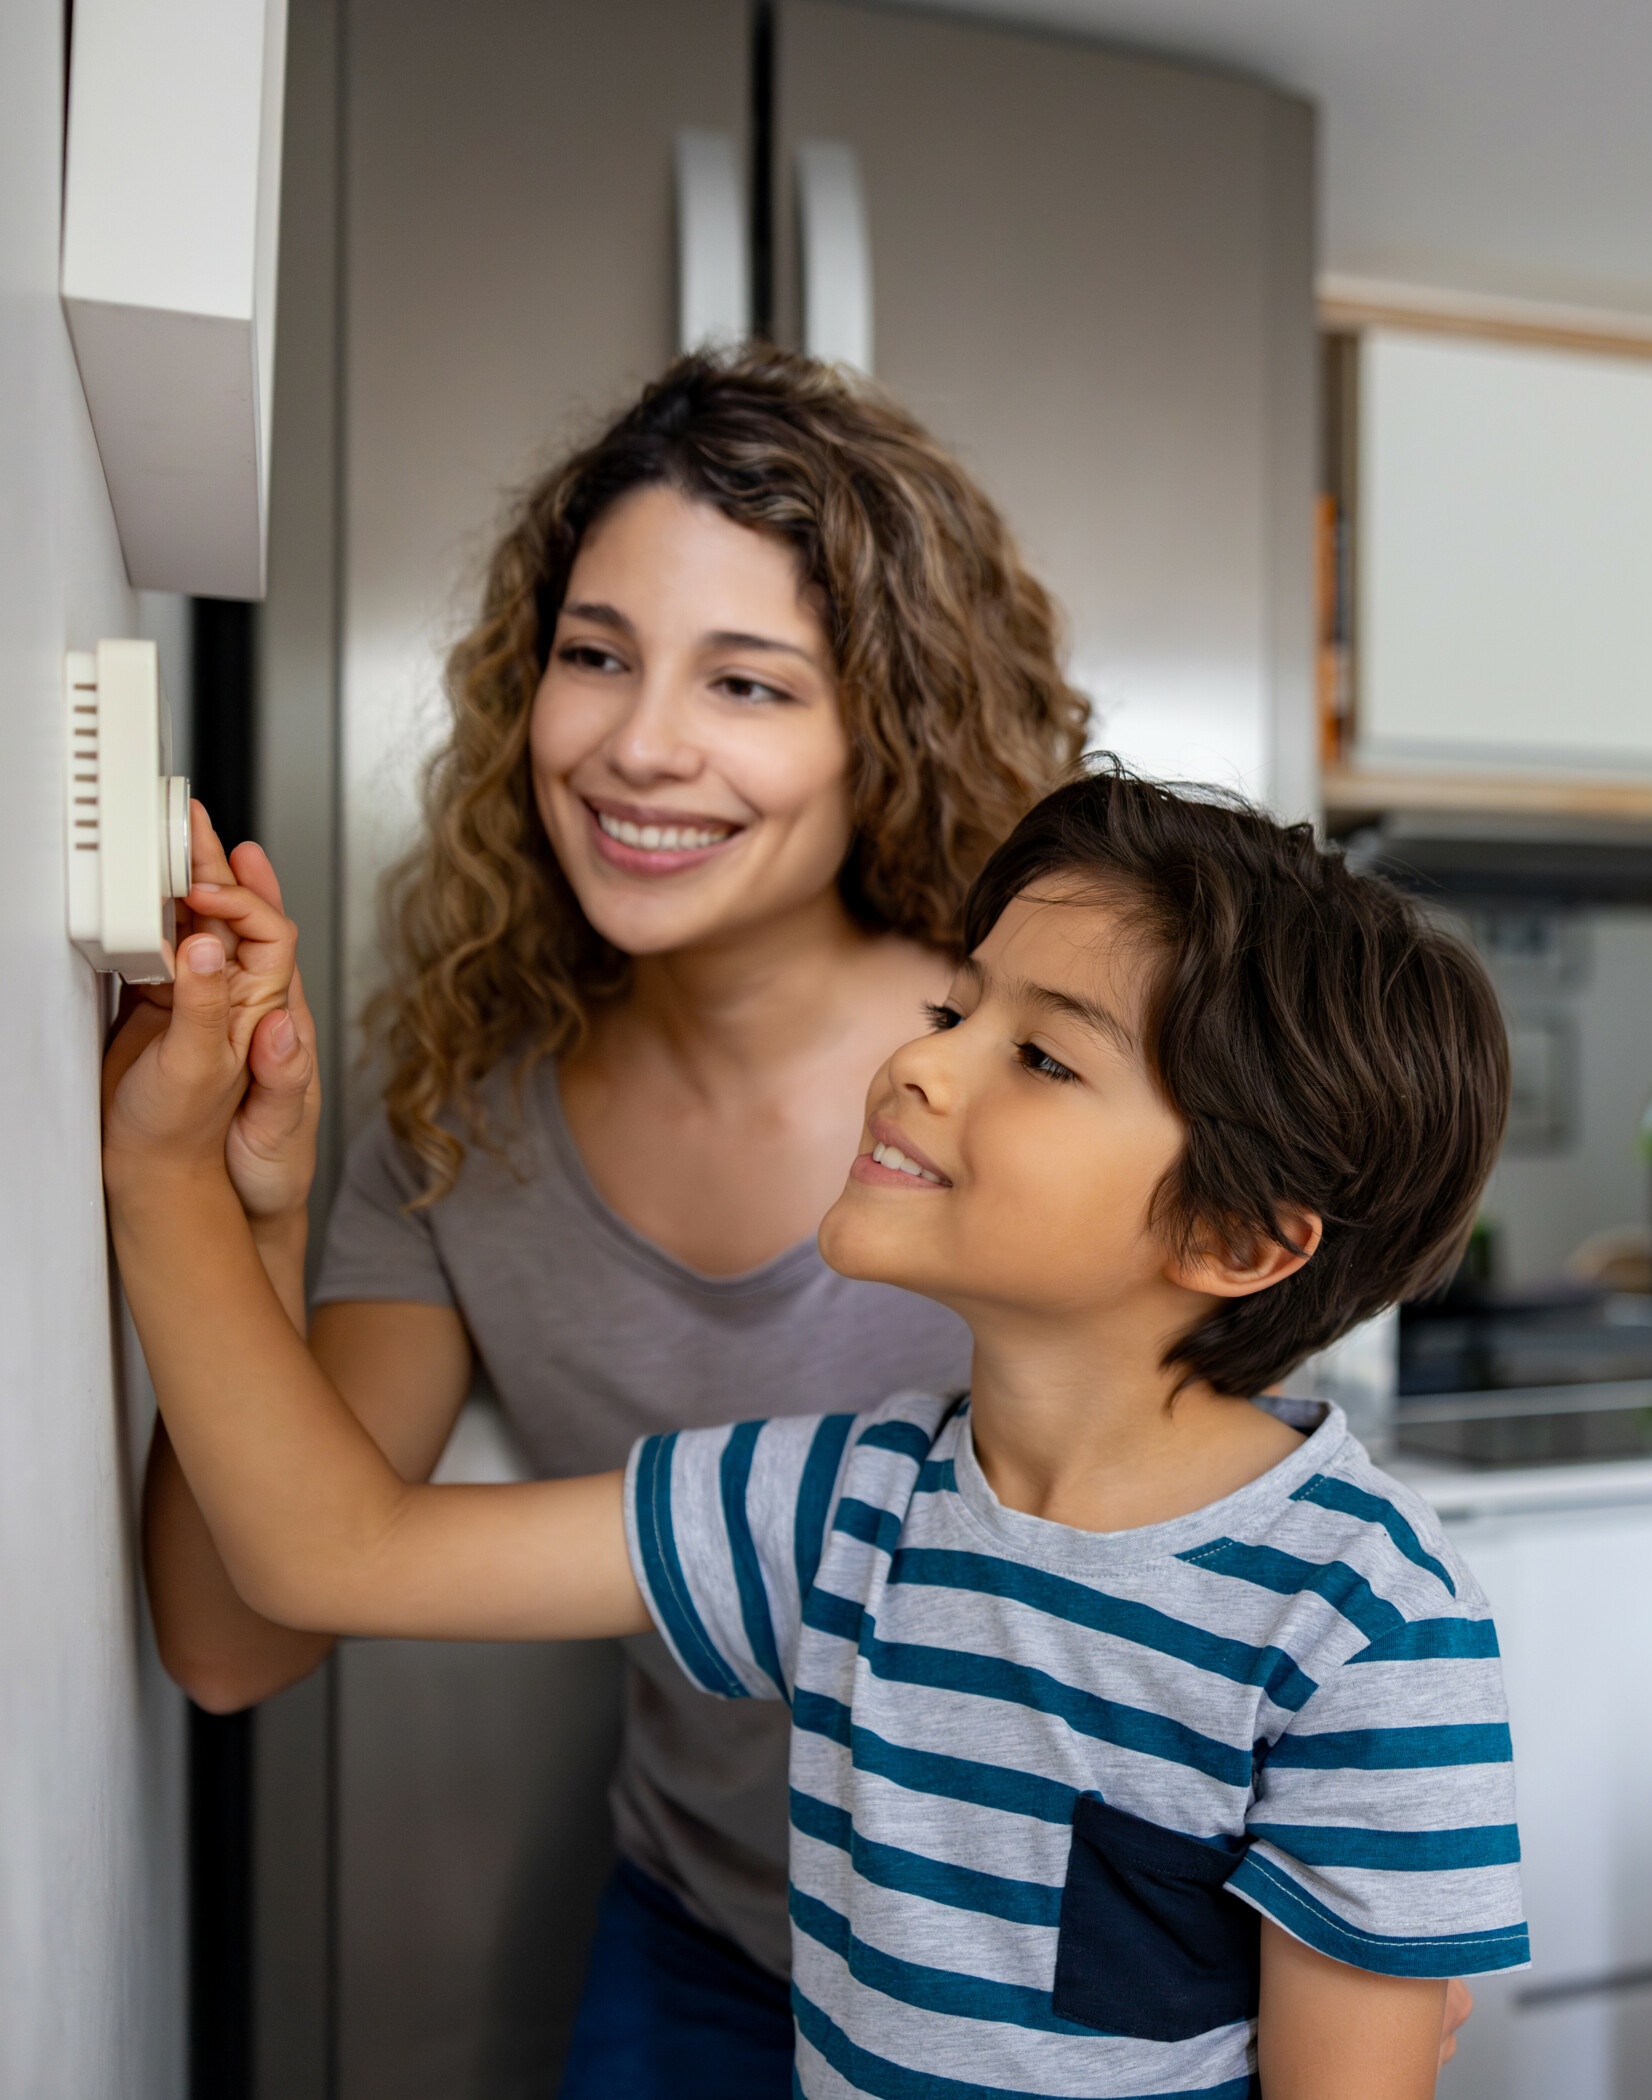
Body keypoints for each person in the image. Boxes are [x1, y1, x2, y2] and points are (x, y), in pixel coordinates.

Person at [108, 770, 1526, 2100]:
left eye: (1037, 1055)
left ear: (1235, 1236)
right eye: (955, 1010)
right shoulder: (840, 1504)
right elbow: (332, 1553)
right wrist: (170, 1172)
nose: (922, 1066)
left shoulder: (1368, 1627)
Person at [138, 349, 1091, 2093]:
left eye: (749, 681)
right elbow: (235, 1635)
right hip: (707, 1942)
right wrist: (242, 1205)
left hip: (1062, 1986)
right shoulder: (457, 1119)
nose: (641, 744)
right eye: (595, 655)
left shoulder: (1042, 1086)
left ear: (886, 723)